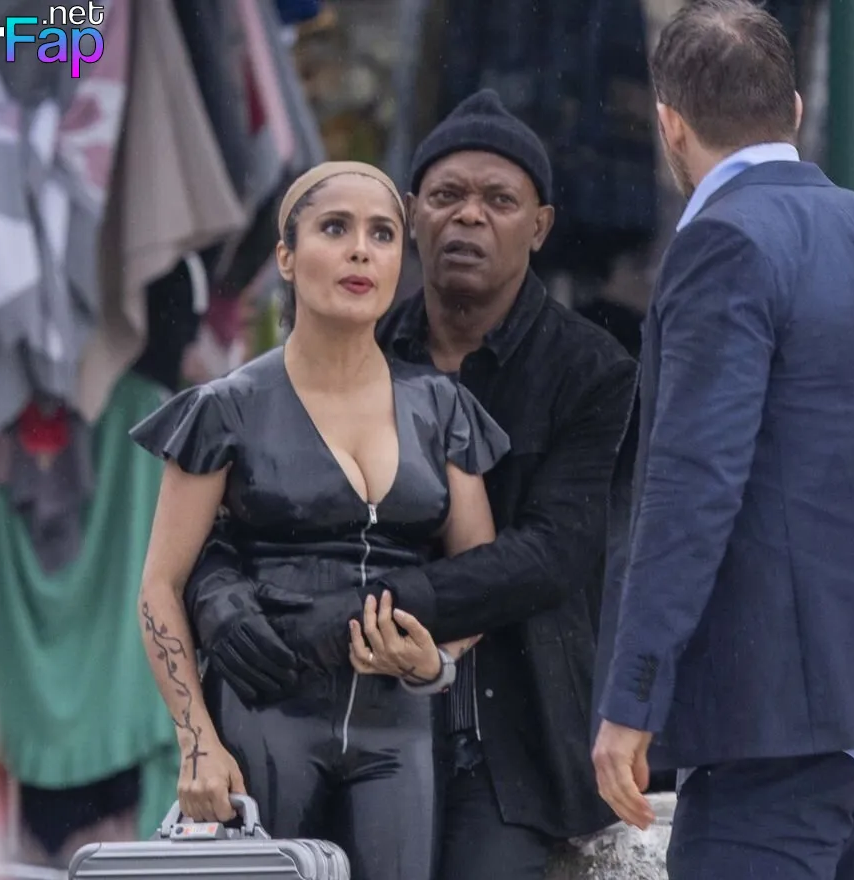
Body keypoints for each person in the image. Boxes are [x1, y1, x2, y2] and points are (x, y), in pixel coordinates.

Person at [183, 90, 639, 880]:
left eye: (499, 201)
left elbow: (549, 556)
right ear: (413, 215)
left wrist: (353, 615)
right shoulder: (359, 342)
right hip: (316, 705)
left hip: (507, 741)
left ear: (540, 227)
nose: (469, 217)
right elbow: (238, 506)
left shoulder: (592, 371)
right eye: (446, 196)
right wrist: (220, 600)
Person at [590, 2, 854, 879]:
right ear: (797, 109)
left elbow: (694, 487)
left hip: (775, 720)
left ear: (670, 124)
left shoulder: (721, 242)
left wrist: (632, 696)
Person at [129, 160, 511, 880]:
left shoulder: (442, 408)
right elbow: (160, 587)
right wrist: (196, 740)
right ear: (286, 256)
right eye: (335, 229)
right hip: (264, 720)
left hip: (400, 725)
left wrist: (438, 661)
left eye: (383, 234)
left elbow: (479, 573)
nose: (361, 251)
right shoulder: (227, 408)